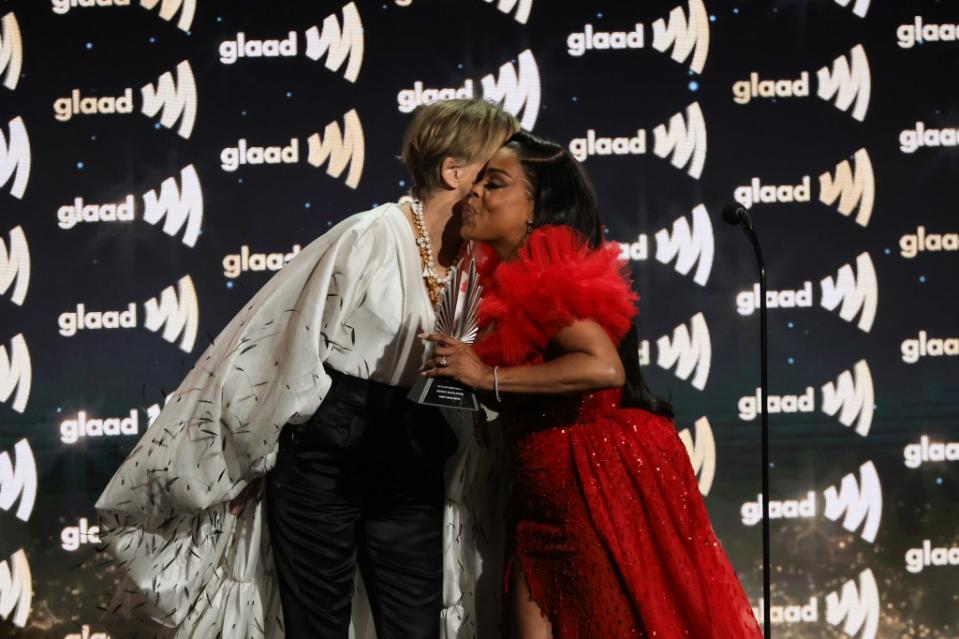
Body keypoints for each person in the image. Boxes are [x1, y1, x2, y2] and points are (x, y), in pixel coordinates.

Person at [94, 99, 518, 639]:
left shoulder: (481, 262)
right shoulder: (368, 236)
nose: (498, 188)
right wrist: (248, 455)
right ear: (454, 172)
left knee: (415, 625)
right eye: (492, 172)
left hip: (413, 458)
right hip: (327, 455)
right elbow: (281, 348)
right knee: (316, 627)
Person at [421, 130, 764, 638]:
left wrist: (485, 376)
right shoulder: (501, 278)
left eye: (493, 184)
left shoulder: (545, 277)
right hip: (542, 494)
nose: (474, 193)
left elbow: (604, 368)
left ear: (537, 208)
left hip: (589, 490)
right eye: (475, 182)